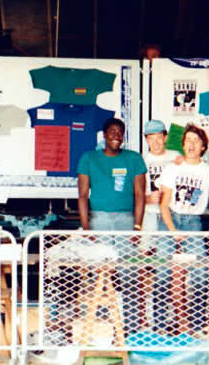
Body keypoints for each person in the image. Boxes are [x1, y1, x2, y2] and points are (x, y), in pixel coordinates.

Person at [77, 117, 147, 331]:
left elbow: (140, 194)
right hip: (100, 219)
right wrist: (86, 227)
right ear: (104, 135)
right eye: (112, 132)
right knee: (101, 273)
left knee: (129, 273)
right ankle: (102, 325)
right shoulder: (89, 158)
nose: (116, 135)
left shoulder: (134, 159)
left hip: (126, 219)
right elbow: (82, 195)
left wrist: (137, 226)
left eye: (120, 132)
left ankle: (131, 326)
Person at [157, 124, 209, 333]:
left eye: (196, 141)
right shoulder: (172, 168)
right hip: (170, 219)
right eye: (188, 140)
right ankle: (161, 326)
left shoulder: (208, 170)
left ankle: (197, 327)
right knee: (162, 271)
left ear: (203, 147)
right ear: (182, 145)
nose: (191, 144)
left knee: (199, 273)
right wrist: (173, 230)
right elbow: (163, 204)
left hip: (193, 222)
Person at [142, 120, 180, 248]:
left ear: (165, 138)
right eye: (151, 139)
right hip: (150, 213)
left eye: (159, 138)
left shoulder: (176, 156)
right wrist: (147, 198)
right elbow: (132, 192)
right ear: (146, 140)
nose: (155, 143)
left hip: (173, 213)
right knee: (145, 251)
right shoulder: (141, 160)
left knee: (171, 251)